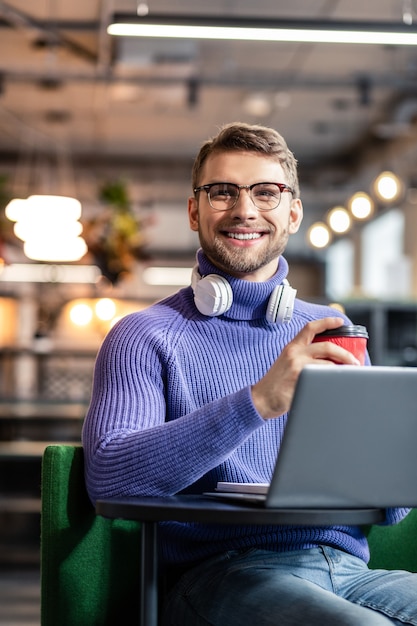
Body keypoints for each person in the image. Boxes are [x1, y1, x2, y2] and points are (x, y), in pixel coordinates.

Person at [82, 122, 417, 625]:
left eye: (267, 192)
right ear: (195, 210)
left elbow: (389, 509)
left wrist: (397, 456)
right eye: (223, 192)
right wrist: (259, 400)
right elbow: (108, 479)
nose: (244, 210)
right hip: (220, 575)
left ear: (294, 212)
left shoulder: (332, 330)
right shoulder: (143, 336)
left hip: (349, 569)